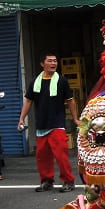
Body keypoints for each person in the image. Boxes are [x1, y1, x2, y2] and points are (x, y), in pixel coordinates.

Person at [18, 53, 81, 193]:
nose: (53, 63)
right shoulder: (35, 81)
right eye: (50, 61)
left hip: (57, 123)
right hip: (41, 124)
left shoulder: (62, 81)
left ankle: (68, 181)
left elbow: (70, 100)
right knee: (42, 156)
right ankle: (46, 181)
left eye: (55, 61)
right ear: (42, 64)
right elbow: (28, 101)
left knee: (61, 155)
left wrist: (76, 118)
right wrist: (22, 118)